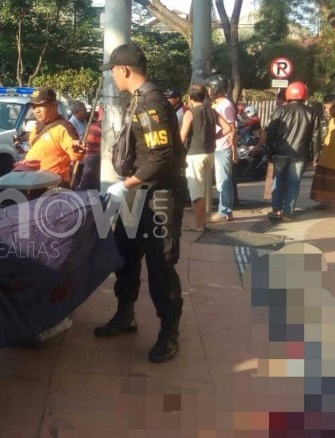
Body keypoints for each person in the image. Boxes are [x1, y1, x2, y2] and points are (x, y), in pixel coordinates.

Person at [94, 43, 186, 364]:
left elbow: (160, 158)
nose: (113, 78)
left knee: (161, 265)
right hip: (137, 193)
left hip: (159, 195)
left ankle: (169, 333)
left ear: (124, 70)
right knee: (126, 255)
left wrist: (126, 184)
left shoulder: (152, 103)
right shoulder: (136, 99)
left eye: (113, 71)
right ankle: (125, 315)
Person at [263, 82, 320, 220]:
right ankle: (288, 213)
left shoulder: (280, 111)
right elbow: (316, 137)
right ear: (305, 95)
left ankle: (276, 210)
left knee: (278, 180)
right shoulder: (312, 113)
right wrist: (316, 155)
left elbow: (270, 133)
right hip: (301, 154)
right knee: (294, 183)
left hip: (280, 152)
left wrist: (269, 151)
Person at [23, 87, 84, 186]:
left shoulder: (64, 128)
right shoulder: (36, 126)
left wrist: (78, 150)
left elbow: (74, 153)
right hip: (32, 183)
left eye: (41, 106)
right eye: (34, 107)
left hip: (53, 187)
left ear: (54, 105)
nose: (36, 111)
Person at [179, 83, 217, 232]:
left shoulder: (190, 113)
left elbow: (182, 137)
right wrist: (213, 137)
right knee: (200, 189)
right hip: (210, 154)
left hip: (195, 155)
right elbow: (228, 128)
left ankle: (198, 225)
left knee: (196, 192)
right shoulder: (212, 112)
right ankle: (202, 222)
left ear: (189, 97)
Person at [205, 74, 237, 222]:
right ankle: (227, 211)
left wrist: (234, 150)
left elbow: (231, 128)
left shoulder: (226, 105)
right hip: (217, 148)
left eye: (210, 87)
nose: (208, 90)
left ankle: (223, 211)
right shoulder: (216, 104)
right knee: (223, 181)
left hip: (223, 148)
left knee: (222, 181)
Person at [75, 108, 101, 191]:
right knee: (89, 180)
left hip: (90, 155)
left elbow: (84, 141)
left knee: (88, 179)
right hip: (95, 156)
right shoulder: (99, 127)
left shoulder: (90, 127)